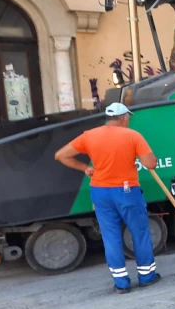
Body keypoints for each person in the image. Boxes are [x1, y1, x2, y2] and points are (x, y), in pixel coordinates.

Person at [54, 103, 161, 294]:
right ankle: (147, 277)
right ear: (123, 118)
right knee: (139, 232)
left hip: (100, 192)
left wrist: (84, 168)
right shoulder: (132, 136)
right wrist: (150, 158)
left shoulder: (89, 135)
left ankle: (121, 284)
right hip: (127, 191)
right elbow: (150, 163)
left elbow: (60, 155)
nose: (128, 120)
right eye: (128, 117)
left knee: (111, 237)